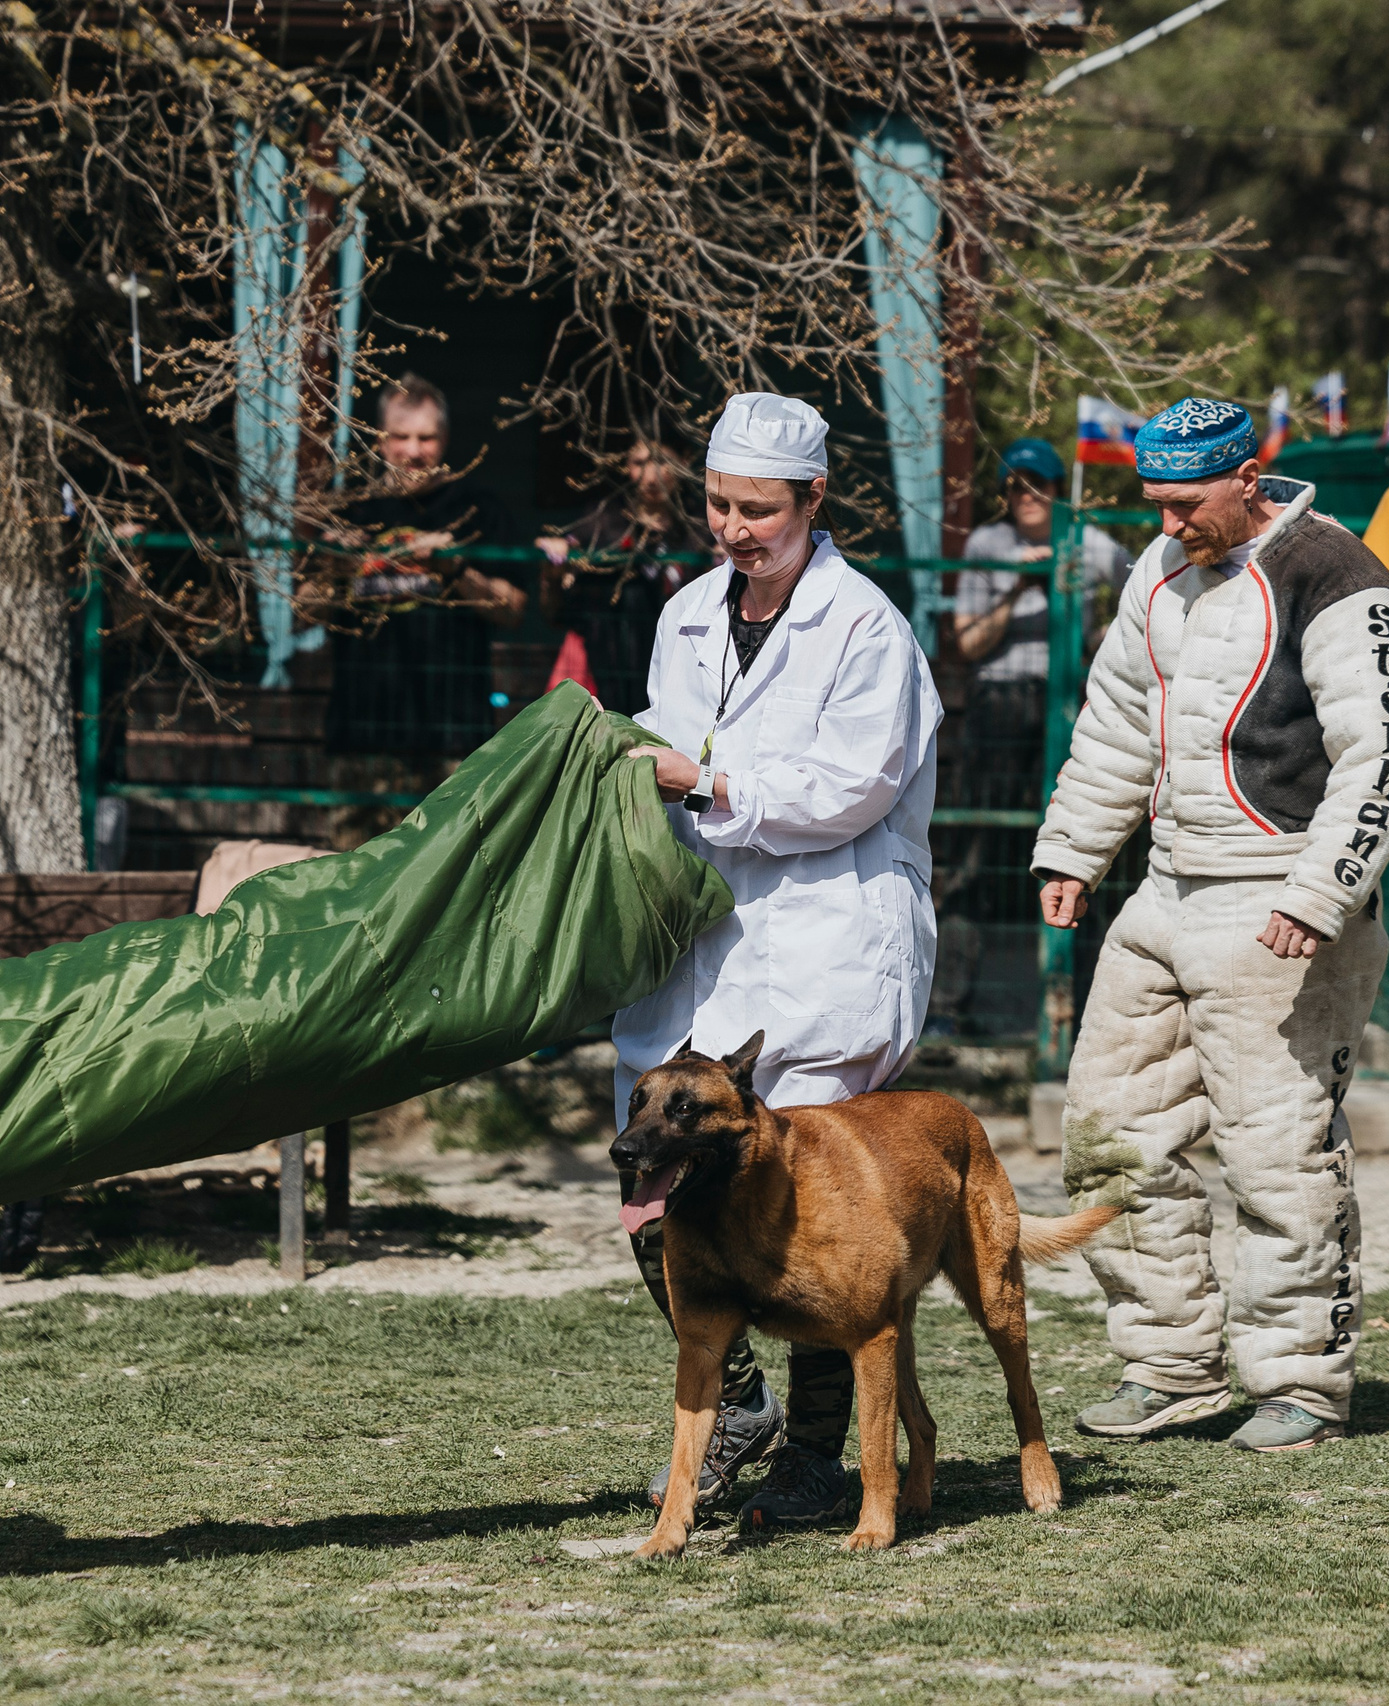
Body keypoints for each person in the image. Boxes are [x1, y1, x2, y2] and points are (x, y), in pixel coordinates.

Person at [1032, 396, 1389, 1455]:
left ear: (1247, 477)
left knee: (1276, 1151)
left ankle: (1299, 1379)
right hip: (1165, 887)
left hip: (1277, 897)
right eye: (1152, 503)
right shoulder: (1157, 571)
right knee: (1109, 1132)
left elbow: (1382, 755)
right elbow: (1117, 715)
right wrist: (1074, 847)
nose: (1166, 523)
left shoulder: (1336, 575)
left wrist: (1318, 894)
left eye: (1184, 502)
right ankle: (1169, 1365)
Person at [611, 391, 943, 1531]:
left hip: (826, 937)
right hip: (708, 939)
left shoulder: (865, 629)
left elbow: (854, 787)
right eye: (717, 502)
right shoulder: (690, 611)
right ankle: (736, 1400)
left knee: (812, 1217)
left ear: (813, 501)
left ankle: (815, 1458)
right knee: (649, 1175)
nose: (733, 526)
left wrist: (704, 785)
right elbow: (666, 740)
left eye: (759, 508)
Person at [924, 439, 1128, 1036]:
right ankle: (947, 1010)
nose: (1026, 496)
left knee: (1083, 851)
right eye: (1014, 485)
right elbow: (967, 642)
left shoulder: (1089, 544)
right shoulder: (990, 546)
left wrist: (1103, 636)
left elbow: (1144, 589)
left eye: (1037, 484)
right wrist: (1019, 584)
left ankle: (1084, 1014)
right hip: (1000, 706)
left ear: (1059, 490)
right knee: (974, 854)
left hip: (1069, 709)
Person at [316, 376, 527, 755]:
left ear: (444, 440)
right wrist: (335, 573)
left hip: (454, 738)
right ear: (380, 439)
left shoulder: (477, 508)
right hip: (361, 733)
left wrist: (456, 569)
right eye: (401, 436)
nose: (413, 450)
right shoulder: (350, 508)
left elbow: (513, 610)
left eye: (426, 438)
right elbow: (298, 611)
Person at [536, 435, 710, 718]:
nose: (651, 476)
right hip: (610, 663)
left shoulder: (701, 522)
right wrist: (555, 561)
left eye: (662, 463)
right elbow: (558, 599)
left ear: (684, 462)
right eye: (639, 463)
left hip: (681, 665)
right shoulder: (604, 518)